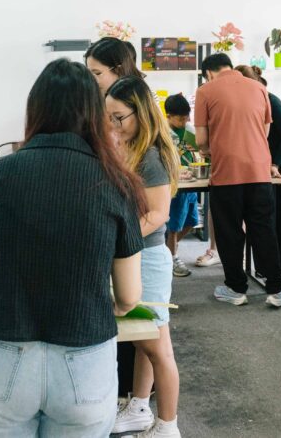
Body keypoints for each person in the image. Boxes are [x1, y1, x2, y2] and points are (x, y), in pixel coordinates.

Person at [0, 59, 145, 436]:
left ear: (35, 109)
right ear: (95, 114)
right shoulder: (117, 182)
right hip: (85, 359)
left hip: (3, 353)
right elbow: (129, 296)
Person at [107, 76, 183, 438]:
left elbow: (158, 214)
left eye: (119, 118)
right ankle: (139, 407)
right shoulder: (128, 146)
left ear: (141, 113)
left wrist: (116, 240)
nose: (113, 125)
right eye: (108, 117)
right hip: (134, 254)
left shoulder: (151, 155)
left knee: (158, 346)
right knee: (142, 340)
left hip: (148, 257)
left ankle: (168, 425)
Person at [194, 52, 281, 307]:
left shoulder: (205, 91)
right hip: (259, 172)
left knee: (229, 232)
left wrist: (212, 148)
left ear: (209, 73)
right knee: (263, 229)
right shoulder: (259, 88)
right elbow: (265, 131)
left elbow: (201, 140)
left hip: (227, 173)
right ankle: (277, 289)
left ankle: (236, 289)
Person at [237, 65, 281, 282]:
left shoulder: (273, 101)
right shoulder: (246, 102)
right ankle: (265, 268)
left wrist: (275, 163)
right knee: (265, 218)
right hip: (262, 165)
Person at [163, 93, 200, 277]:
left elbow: (198, 150)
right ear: (168, 116)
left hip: (191, 182)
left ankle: (168, 249)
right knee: (174, 225)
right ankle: (171, 258)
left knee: (192, 221)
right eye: (180, 119)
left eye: (187, 118)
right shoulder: (162, 134)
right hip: (174, 185)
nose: (185, 122)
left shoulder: (189, 130)